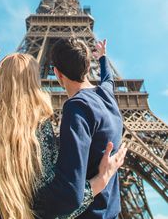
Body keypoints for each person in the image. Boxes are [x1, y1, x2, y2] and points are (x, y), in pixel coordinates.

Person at [0, 41, 126, 219]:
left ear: (56, 73)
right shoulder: (40, 125)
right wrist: (102, 179)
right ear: (87, 66)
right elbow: (63, 202)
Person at [34, 38, 124, 219]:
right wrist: (103, 58)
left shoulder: (76, 108)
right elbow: (108, 79)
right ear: (88, 64)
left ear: (57, 74)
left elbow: (70, 194)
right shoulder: (106, 94)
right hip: (111, 212)